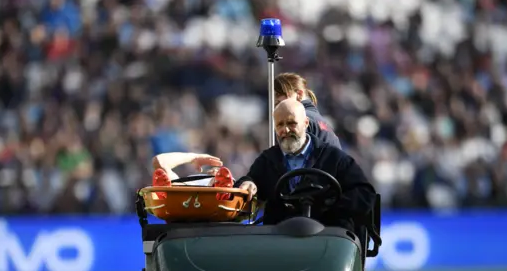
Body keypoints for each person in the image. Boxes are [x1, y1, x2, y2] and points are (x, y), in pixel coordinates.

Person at [235, 99, 376, 232]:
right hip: (279, 243)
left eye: (291, 123)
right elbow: (250, 182)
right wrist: (247, 183)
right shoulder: (268, 160)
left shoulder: (333, 158)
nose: (286, 130)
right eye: (280, 125)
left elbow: (365, 194)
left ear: (306, 123)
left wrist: (328, 206)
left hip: (326, 239)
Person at [274, 72, 342, 149]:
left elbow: (294, 157)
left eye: (281, 100)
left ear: (299, 94)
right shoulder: (315, 118)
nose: (278, 105)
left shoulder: (300, 119)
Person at [151, 152, 234, 200]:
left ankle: (220, 192)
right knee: (175, 186)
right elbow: (159, 161)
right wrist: (194, 157)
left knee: (226, 181)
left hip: (213, 198)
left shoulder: (225, 178)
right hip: (182, 195)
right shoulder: (185, 181)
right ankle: (166, 193)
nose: (215, 170)